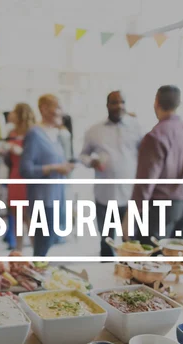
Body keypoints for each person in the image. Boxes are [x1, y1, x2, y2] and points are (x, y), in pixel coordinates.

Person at [128, 85, 183, 243]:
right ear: (178, 104)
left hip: (159, 210)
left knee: (149, 261)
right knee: (173, 260)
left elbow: (145, 183)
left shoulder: (155, 136)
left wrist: (131, 216)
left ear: (156, 102)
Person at [80, 91, 143, 256]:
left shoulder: (137, 128)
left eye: (122, 102)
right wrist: (91, 161)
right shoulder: (94, 130)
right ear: (107, 105)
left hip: (130, 196)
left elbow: (145, 157)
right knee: (106, 241)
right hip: (104, 196)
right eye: (114, 102)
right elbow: (82, 155)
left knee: (131, 243)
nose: (119, 106)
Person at [20, 94, 76, 257]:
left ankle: (38, 274)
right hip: (41, 199)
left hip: (55, 197)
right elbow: (26, 169)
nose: (61, 111)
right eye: (57, 107)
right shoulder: (35, 134)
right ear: (43, 109)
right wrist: (55, 167)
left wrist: (65, 166)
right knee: (44, 241)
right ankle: (35, 276)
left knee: (50, 239)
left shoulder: (55, 135)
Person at [3, 103, 36, 251]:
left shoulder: (33, 132)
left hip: (27, 178)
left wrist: (20, 151)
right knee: (17, 216)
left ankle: (37, 252)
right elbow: (8, 160)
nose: (11, 114)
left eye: (14, 112)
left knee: (29, 217)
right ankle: (18, 251)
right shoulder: (11, 133)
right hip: (14, 176)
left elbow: (36, 156)